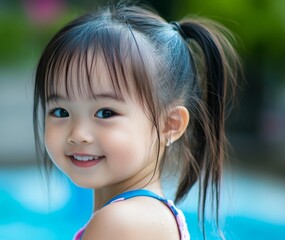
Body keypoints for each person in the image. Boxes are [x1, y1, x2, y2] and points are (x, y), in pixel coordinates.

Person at [33, 3, 241, 239]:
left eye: (105, 113)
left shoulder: (121, 222)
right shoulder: (150, 215)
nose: (78, 133)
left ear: (169, 125)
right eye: (60, 112)